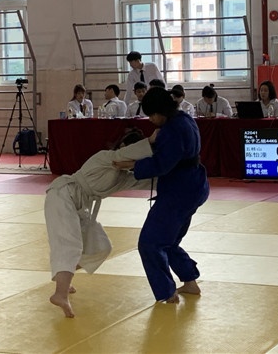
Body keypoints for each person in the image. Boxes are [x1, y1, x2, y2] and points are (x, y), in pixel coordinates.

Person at [45, 128, 156, 318]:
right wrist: (151, 140)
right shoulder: (105, 157)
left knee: (100, 247)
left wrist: (177, 176)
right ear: (124, 147)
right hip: (62, 195)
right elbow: (121, 156)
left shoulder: (122, 176)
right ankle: (60, 294)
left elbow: (145, 181)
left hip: (80, 205)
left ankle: (64, 275)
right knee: (69, 245)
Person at [113, 87, 209, 304]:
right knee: (169, 240)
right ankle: (190, 281)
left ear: (159, 111)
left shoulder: (172, 130)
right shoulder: (185, 119)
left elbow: (162, 164)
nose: (150, 120)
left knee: (150, 243)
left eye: (151, 115)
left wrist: (133, 164)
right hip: (194, 186)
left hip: (178, 193)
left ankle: (167, 292)